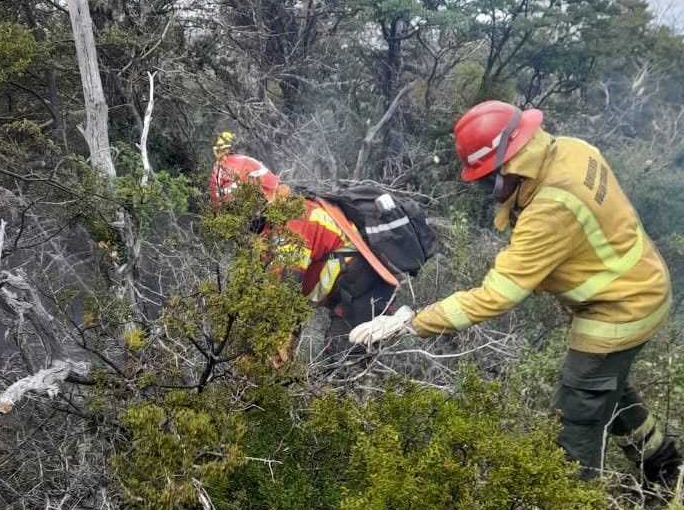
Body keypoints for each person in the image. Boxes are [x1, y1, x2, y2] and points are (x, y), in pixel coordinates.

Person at [350, 100, 682, 487]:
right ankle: (665, 467)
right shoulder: (571, 150)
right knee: (610, 388)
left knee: (577, 411)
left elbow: (496, 296)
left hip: (620, 309)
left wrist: (410, 322)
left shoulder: (550, 208)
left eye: (482, 178)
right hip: (642, 281)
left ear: (507, 165)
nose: (481, 188)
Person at [209, 138, 396, 342]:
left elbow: (285, 296)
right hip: (348, 295)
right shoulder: (273, 222)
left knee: (343, 359)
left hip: (364, 294)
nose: (240, 220)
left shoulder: (293, 220)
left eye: (238, 210)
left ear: (257, 194)